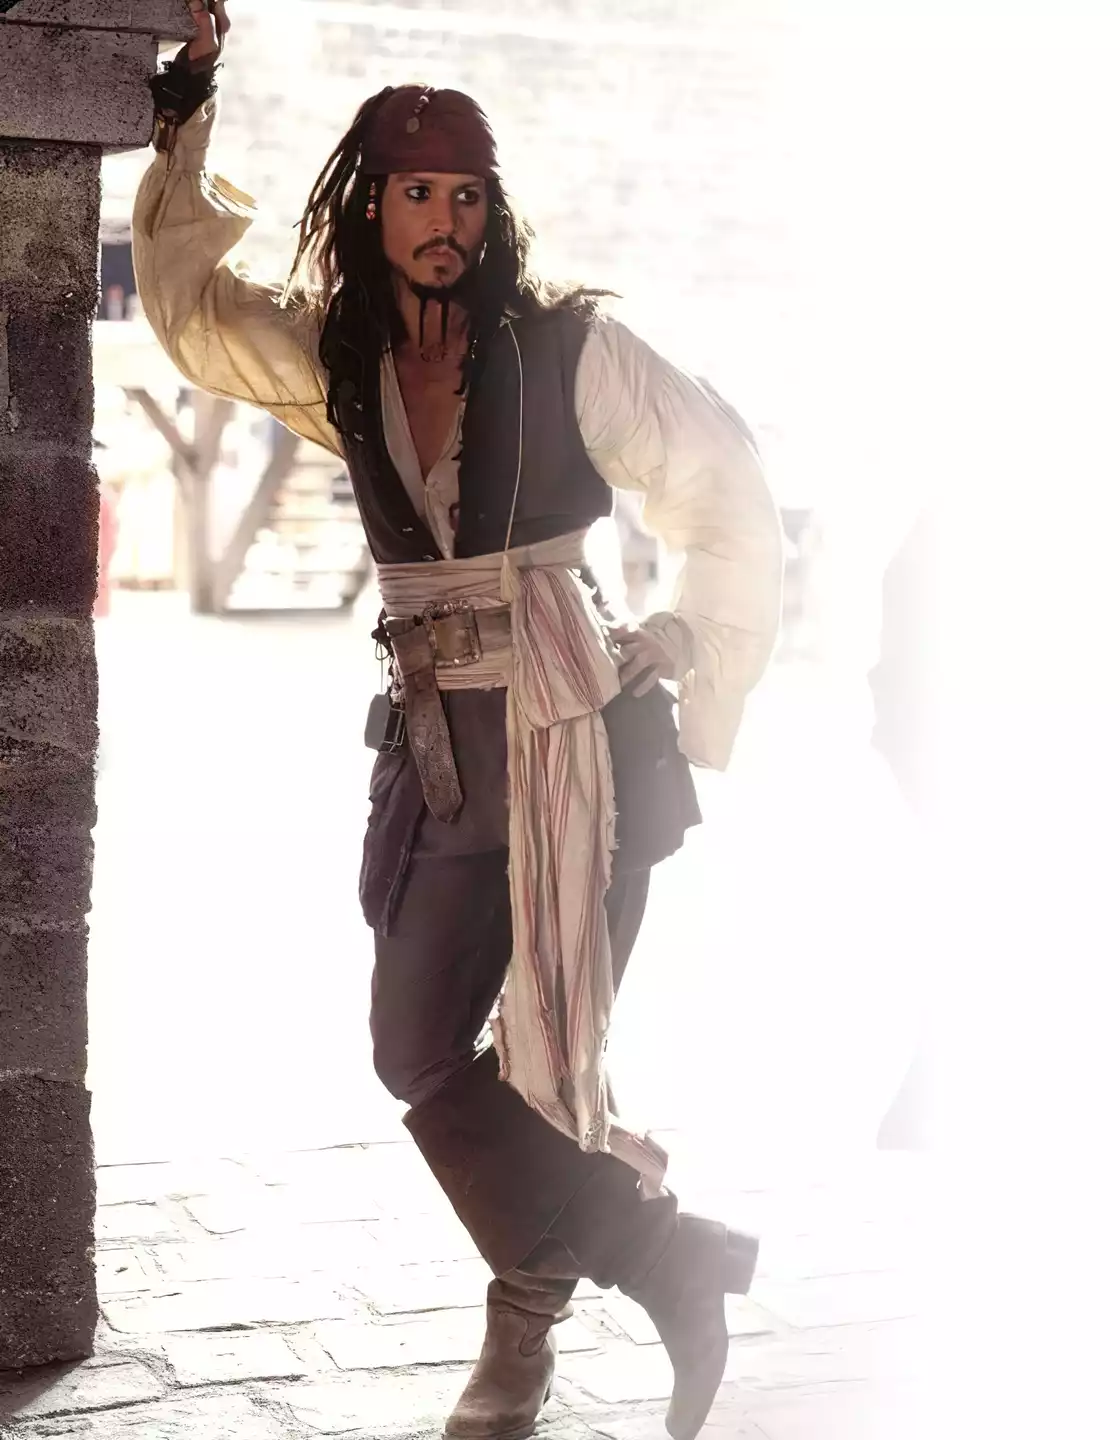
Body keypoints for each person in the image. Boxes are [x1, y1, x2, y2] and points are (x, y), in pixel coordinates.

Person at [133, 5, 784, 1438]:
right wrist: (189, 99)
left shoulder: (569, 349)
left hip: (581, 735)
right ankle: (665, 1255)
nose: (445, 221)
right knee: (417, 1047)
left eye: (468, 195)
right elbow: (189, 312)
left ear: (494, 211)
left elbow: (721, 483)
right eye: (418, 193)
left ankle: (518, 1357)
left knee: (550, 1057)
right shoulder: (337, 356)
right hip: (438, 752)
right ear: (372, 206)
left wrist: (677, 635)